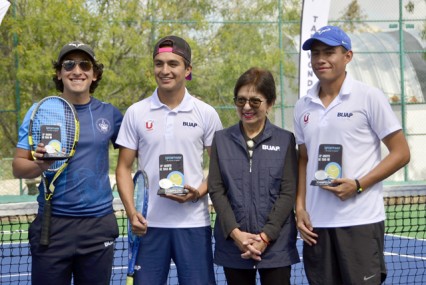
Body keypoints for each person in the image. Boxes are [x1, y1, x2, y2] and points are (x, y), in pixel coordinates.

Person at [293, 25, 411, 285]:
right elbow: (303, 158)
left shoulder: (369, 97)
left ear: (348, 56)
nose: (320, 59)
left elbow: (401, 152)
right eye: (315, 53)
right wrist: (299, 207)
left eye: (329, 52)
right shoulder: (303, 105)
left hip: (360, 221)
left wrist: (359, 185)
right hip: (316, 226)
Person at [12, 41, 123, 285]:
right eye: (69, 64)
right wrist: (40, 165)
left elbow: (134, 156)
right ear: (59, 73)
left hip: (98, 225)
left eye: (84, 64)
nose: (77, 70)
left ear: (94, 74)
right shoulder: (39, 111)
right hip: (53, 225)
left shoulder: (110, 114)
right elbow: (18, 167)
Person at [115, 35, 222, 285]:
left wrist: (197, 193)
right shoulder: (136, 113)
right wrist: (132, 214)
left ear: (188, 69)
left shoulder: (206, 113)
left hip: (194, 225)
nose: (165, 70)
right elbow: (123, 168)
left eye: (173, 64)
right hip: (148, 227)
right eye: (159, 63)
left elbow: (219, 167)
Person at [208, 67, 300, 285]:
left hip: (275, 247)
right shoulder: (221, 139)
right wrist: (236, 234)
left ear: (270, 103)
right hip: (234, 246)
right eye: (240, 101)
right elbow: (216, 189)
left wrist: (265, 237)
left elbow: (288, 192)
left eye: (255, 101)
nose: (246, 107)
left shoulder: (285, 140)